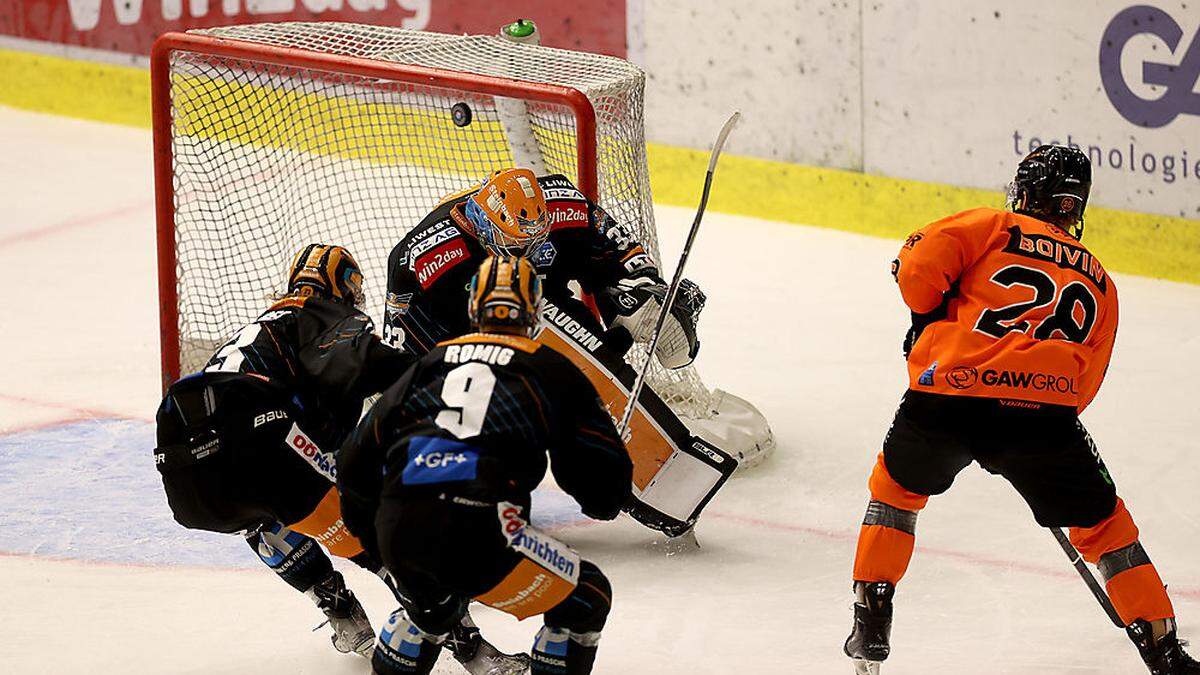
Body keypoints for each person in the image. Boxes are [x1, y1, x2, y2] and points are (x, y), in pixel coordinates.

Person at [844, 145, 1200, 675]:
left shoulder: (992, 225)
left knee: (896, 494)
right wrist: (1034, 399)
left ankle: (872, 618)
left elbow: (917, 273)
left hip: (947, 396)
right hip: (1043, 416)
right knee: (1105, 529)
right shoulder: (1101, 280)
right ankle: (1165, 652)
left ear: (1026, 192)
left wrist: (930, 319)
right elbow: (1086, 383)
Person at [154, 244, 524, 672]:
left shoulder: (262, 332)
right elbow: (367, 364)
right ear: (337, 288)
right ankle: (476, 653)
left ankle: (343, 615)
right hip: (255, 434)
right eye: (352, 287)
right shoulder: (322, 313)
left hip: (186, 472)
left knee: (265, 513)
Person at [338, 255, 633, 674]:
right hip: (485, 533)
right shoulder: (550, 368)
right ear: (534, 312)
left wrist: (383, 539)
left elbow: (353, 464)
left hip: (400, 525)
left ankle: (422, 619)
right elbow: (603, 495)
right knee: (589, 596)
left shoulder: (427, 364)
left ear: (474, 309)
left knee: (432, 607)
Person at [382, 167, 705, 371]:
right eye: (516, 245)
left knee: (625, 323)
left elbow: (621, 249)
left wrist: (642, 285)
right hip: (449, 323)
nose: (528, 252)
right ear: (483, 228)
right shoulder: (431, 255)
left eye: (535, 242)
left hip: (538, 296)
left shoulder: (566, 204)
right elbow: (409, 331)